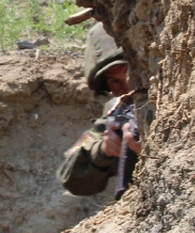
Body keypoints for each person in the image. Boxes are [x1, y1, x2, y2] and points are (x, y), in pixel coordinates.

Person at [57, 23, 147, 197]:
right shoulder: (116, 112)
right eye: (115, 81)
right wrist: (104, 151)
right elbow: (70, 177)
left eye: (131, 74)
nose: (128, 88)